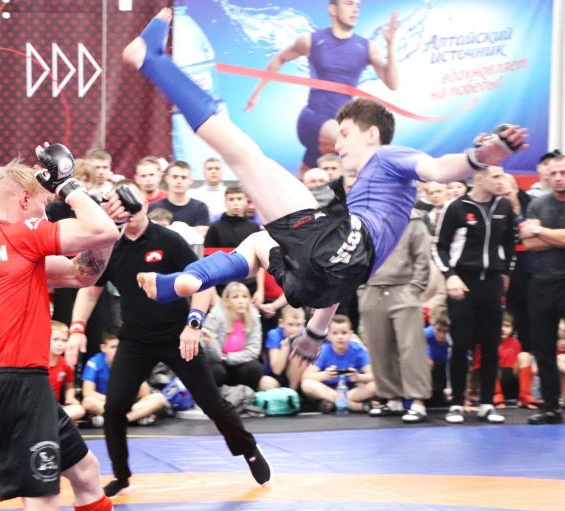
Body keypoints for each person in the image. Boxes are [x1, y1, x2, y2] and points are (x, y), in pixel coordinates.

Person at [126, 8, 527, 364]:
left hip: (337, 255)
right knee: (257, 242)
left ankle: (151, 61)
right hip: (321, 284)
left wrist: (481, 157)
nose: (337, 144)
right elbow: (340, 272)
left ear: (372, 135)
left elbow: (439, 168)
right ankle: (188, 279)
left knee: (245, 155)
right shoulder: (365, 200)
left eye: (345, 133)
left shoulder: (388, 157)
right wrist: (315, 334)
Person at [66, 180, 271, 499]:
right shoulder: (111, 247)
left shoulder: (168, 240)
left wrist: (193, 324)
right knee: (114, 407)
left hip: (177, 335)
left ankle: (249, 450)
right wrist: (77, 328)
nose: (128, 214)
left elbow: (204, 282)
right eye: (120, 208)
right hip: (135, 339)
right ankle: (121, 475)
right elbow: (90, 291)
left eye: (132, 206)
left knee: (211, 402)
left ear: (145, 205)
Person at [0, 144, 124, 511]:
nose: (46, 215)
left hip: (19, 383)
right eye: (42, 205)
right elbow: (98, 231)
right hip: (22, 385)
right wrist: (67, 185)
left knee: (86, 472)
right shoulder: (19, 234)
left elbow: (81, 274)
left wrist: (107, 228)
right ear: (24, 200)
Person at [245, 0, 399, 175]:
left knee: (308, 178)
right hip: (313, 118)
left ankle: (303, 182)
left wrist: (390, 45)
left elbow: (392, 83)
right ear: (333, 9)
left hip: (340, 122)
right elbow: (279, 58)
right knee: (357, 145)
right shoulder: (312, 41)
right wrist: (256, 93)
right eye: (349, 4)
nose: (355, 10)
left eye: (358, 5)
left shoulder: (366, 47)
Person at [433, 165, 517, 424]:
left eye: (502, 175)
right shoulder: (457, 207)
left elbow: (510, 243)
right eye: (496, 176)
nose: (501, 180)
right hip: (463, 283)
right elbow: (439, 247)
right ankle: (456, 403)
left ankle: (487, 403)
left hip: (491, 283)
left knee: (491, 345)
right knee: (460, 345)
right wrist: (450, 276)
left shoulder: (504, 206)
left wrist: (506, 274)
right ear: (479, 179)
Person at [360, 208, 431, 423]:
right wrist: (361, 287)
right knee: (379, 348)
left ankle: (418, 401)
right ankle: (392, 398)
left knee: (411, 349)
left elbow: (422, 256)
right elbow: (357, 254)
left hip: (403, 287)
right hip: (372, 288)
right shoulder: (364, 218)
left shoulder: (413, 218)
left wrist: (415, 287)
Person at [519, 154, 565, 424]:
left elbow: (537, 236)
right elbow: (529, 243)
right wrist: (549, 236)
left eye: (563, 172)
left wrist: (540, 231)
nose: (558, 178)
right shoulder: (537, 204)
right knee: (543, 347)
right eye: (554, 173)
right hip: (542, 283)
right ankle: (550, 406)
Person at [81, 327, 168, 429]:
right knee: (88, 402)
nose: (117, 351)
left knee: (159, 398)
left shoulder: (130, 361)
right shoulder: (94, 362)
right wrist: (113, 400)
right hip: (105, 403)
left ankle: (118, 420)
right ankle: (132, 418)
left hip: (129, 405)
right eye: (113, 347)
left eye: (120, 347)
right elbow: (87, 392)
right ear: (103, 347)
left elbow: (144, 394)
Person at [300, 315, 376, 413]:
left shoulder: (358, 349)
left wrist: (359, 377)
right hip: (328, 389)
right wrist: (324, 375)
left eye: (344, 333)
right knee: (307, 384)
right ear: (329, 336)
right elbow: (306, 377)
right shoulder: (324, 350)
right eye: (335, 333)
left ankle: (334, 403)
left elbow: (374, 376)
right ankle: (355, 406)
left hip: (351, 389)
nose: (340, 337)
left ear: (350, 334)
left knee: (375, 385)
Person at [201, 282, 265, 391]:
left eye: (244, 297)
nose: (241, 301)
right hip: (216, 363)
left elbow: (253, 350)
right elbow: (209, 355)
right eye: (235, 297)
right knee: (217, 371)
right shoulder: (215, 317)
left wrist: (227, 358)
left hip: (237, 363)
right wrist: (211, 346)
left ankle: (244, 395)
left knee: (255, 368)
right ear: (227, 301)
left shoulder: (254, 317)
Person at [203, 186, 262, 294]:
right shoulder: (215, 228)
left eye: (239, 199)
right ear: (225, 202)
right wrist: (213, 293)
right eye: (231, 199)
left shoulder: (254, 227)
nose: (235, 203)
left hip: (250, 286)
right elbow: (209, 263)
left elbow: (260, 262)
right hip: (222, 286)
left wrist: (260, 290)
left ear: (246, 201)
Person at [150, 161, 210, 236]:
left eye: (183, 177)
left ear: (190, 181)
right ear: (167, 179)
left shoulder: (200, 207)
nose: (179, 181)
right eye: (175, 177)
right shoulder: (154, 207)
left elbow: (201, 237)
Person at [48, 321, 86, 423]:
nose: (60, 344)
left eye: (64, 340)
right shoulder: (38, 362)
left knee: (79, 409)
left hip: (55, 408)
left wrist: (70, 398)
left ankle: (54, 422)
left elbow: (70, 386)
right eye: (55, 339)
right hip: (37, 406)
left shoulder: (65, 363)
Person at [262, 306, 306, 390]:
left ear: (304, 324)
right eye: (290, 324)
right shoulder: (274, 334)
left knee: (298, 356)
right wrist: (286, 345)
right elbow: (276, 370)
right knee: (265, 382)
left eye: (299, 325)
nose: (294, 329)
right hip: (274, 375)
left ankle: (292, 392)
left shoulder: (305, 334)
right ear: (281, 323)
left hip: (294, 376)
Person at [425, 311, 451, 407]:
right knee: (428, 363)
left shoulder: (455, 338)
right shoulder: (427, 334)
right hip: (431, 371)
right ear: (433, 326)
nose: (441, 335)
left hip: (447, 371)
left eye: (445, 331)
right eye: (438, 330)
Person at [190, 157, 227, 222]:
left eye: (217, 168)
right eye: (209, 169)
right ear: (203, 173)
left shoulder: (230, 194)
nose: (213, 171)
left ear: (222, 172)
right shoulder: (192, 194)